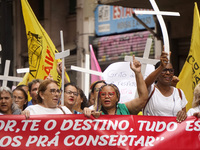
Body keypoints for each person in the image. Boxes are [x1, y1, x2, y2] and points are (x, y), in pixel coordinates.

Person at [84, 55, 148, 117]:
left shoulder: (124, 108)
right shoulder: (94, 111)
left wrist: (138, 73)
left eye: (111, 94)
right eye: (103, 94)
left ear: (117, 98)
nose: (106, 97)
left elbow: (143, 98)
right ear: (100, 98)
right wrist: (87, 113)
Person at [143, 51, 187, 122]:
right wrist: (161, 66)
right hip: (153, 132)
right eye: (164, 70)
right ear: (157, 74)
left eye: (171, 71)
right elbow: (144, 84)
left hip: (173, 132)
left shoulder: (179, 93)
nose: (168, 73)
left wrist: (183, 114)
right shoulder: (151, 90)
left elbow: (184, 117)